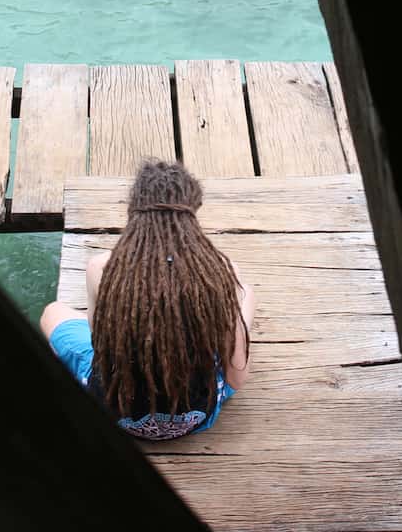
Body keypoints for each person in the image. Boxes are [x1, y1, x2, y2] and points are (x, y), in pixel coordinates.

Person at [41, 160, 254, 440]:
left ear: (133, 210)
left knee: (52, 312)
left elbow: (100, 346)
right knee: (247, 292)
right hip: (195, 417)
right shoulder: (221, 271)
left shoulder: (103, 269)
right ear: (193, 210)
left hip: (118, 415)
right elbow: (236, 378)